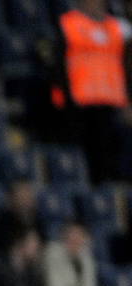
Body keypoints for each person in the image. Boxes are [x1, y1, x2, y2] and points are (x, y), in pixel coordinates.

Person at [52, 1, 132, 183]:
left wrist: (128, 100)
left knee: (113, 152)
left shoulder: (118, 27)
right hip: (79, 101)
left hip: (113, 100)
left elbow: (127, 66)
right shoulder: (68, 23)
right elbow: (58, 64)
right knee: (84, 155)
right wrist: (60, 99)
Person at [41, 220, 99, 286]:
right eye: (72, 236)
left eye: (80, 236)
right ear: (64, 237)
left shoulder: (87, 258)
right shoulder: (52, 254)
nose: (76, 240)